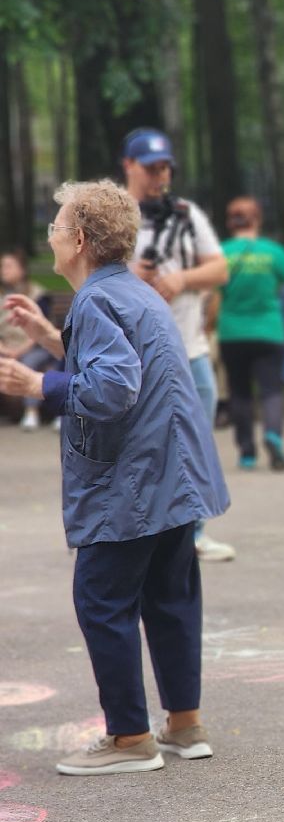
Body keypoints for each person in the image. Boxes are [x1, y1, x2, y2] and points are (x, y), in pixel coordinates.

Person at [0, 180, 228, 774]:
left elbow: (114, 387)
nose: (50, 236)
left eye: (56, 227)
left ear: (78, 239)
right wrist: (49, 339)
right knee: (170, 597)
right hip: (174, 477)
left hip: (131, 485)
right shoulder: (134, 292)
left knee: (101, 599)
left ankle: (129, 739)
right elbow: (128, 364)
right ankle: (184, 724)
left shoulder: (96, 301)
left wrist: (38, 383)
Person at [122, 126, 235, 563]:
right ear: (129, 166)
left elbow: (220, 269)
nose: (160, 176)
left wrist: (181, 280)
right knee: (138, 447)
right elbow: (84, 274)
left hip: (190, 349)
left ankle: (193, 535)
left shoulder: (186, 215)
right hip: (135, 355)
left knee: (196, 445)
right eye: (151, 168)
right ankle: (131, 536)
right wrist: (130, 278)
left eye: (165, 167)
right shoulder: (114, 214)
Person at [218, 196, 284, 472]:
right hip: (269, 331)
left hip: (232, 332)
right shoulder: (273, 251)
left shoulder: (221, 253)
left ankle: (247, 453)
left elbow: (210, 288)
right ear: (258, 220)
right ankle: (273, 434)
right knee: (271, 389)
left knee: (239, 392)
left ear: (230, 222)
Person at [0, 250, 57, 430]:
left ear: (22, 269)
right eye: (2, 266)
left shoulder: (38, 294)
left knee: (29, 362)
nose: (3, 270)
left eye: (8, 266)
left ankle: (31, 412)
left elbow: (42, 329)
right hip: (6, 347)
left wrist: (19, 351)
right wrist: (4, 349)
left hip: (35, 346)